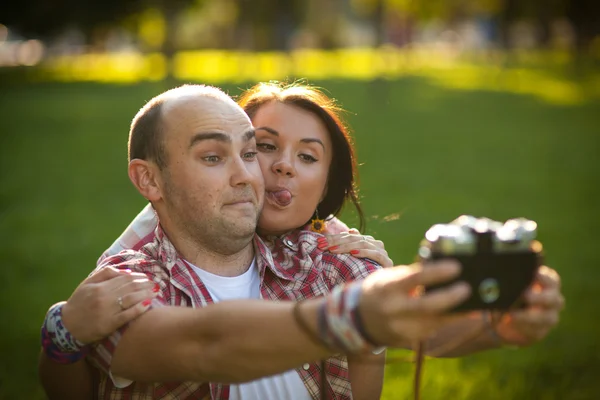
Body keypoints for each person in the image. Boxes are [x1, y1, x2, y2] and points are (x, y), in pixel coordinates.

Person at [39, 83, 564, 400]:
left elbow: (421, 323)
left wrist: (500, 320)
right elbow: (205, 346)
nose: (252, 175)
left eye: (249, 153)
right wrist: (351, 319)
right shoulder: (125, 284)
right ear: (150, 181)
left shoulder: (316, 261)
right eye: (213, 157)